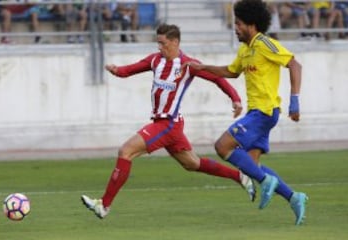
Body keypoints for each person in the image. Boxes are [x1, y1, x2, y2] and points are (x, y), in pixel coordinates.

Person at [81, 23, 256, 219]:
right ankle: (240, 177)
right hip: (168, 124)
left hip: (168, 123)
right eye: (157, 43)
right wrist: (116, 70)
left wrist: (236, 99)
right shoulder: (155, 60)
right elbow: (129, 70)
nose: (159, 47)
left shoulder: (188, 65)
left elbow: (218, 79)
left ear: (174, 42)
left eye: (163, 43)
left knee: (126, 151)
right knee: (192, 164)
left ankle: (103, 205)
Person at [184, 0, 308, 225]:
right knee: (252, 165)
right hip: (257, 113)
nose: (236, 28)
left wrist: (295, 101)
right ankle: (294, 197)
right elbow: (231, 72)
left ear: (252, 24)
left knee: (222, 146)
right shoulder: (245, 49)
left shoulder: (265, 44)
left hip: (264, 112)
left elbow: (294, 65)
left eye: (239, 24)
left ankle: (265, 181)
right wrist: (203, 68)